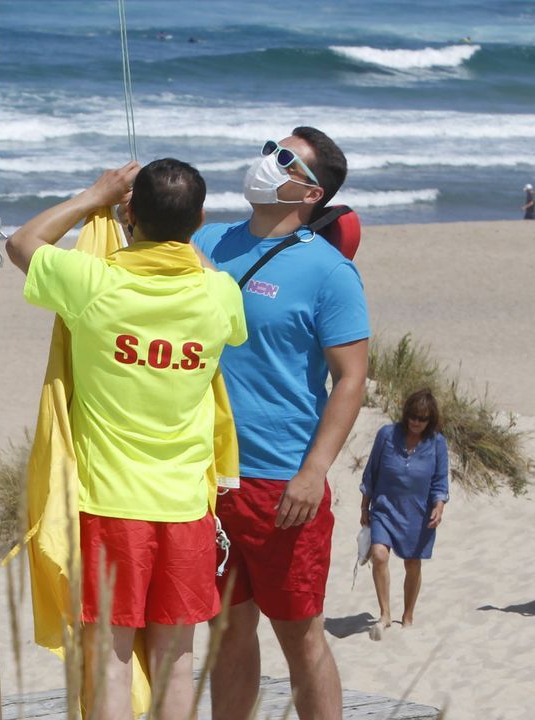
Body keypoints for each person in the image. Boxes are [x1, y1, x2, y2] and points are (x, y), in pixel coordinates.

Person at [7, 158, 247, 720]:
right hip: (186, 508)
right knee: (175, 664)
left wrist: (95, 196)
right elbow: (211, 279)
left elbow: (23, 242)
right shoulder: (219, 296)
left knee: (111, 661)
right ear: (201, 221)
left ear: (129, 213)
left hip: (110, 506)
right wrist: (177, 234)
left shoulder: (95, 283)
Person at [193, 128, 368, 720]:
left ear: (310, 193)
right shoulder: (208, 240)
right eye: (272, 148)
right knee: (226, 630)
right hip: (206, 476)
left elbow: (351, 379)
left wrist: (314, 471)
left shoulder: (329, 272)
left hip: (281, 482)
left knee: (301, 636)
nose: (267, 162)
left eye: (285, 158)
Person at [360, 389, 448, 639]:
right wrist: (364, 506)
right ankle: (385, 614)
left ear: (430, 421)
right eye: (412, 416)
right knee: (379, 555)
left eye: (422, 419)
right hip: (385, 507)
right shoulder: (387, 435)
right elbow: (371, 472)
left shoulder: (437, 443)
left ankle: (408, 615)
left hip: (417, 513)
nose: (416, 422)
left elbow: (440, 481)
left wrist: (439, 506)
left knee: (412, 563)